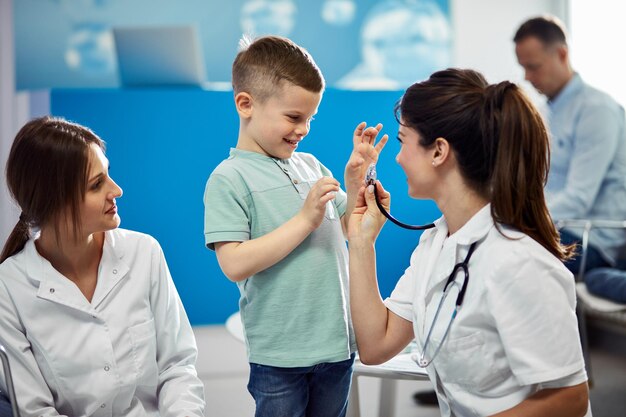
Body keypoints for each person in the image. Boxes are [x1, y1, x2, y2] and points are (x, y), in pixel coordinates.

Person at [348, 68, 590, 416]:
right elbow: (375, 345)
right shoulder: (436, 244)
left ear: (438, 151)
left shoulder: (518, 263)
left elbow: (570, 398)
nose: (398, 158)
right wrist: (361, 242)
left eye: (403, 142)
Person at [203, 35, 386, 417]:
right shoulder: (229, 178)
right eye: (293, 117)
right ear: (245, 104)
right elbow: (233, 263)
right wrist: (304, 220)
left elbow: (350, 228)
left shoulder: (311, 165)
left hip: (337, 346)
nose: (303, 129)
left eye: (310, 119)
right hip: (280, 357)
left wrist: (356, 183)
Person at [0, 116, 205, 417]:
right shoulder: (9, 289)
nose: (117, 190)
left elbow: (177, 366)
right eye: (96, 185)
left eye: (108, 174)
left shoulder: (143, 252)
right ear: (54, 202)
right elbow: (35, 411)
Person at [514, 16, 626, 275]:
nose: (527, 77)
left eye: (533, 67)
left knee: (511, 263)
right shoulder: (544, 113)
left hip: (591, 241)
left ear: (562, 54)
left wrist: (523, 220)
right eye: (523, 68)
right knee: (489, 248)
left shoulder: (597, 111)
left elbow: (579, 198)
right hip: (556, 227)